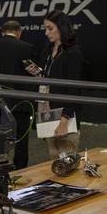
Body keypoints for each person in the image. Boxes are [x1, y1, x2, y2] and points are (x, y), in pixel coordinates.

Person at [0, 20, 35, 170]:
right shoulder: (28, 48)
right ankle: (21, 175)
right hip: (21, 104)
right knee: (21, 144)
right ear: (19, 33)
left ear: (2, 32)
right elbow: (35, 74)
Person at [40, 10, 84, 159]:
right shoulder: (48, 50)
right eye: (45, 28)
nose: (46, 33)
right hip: (48, 112)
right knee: (53, 160)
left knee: (67, 162)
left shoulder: (73, 53)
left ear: (62, 28)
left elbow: (74, 89)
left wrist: (64, 121)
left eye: (50, 28)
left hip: (66, 117)